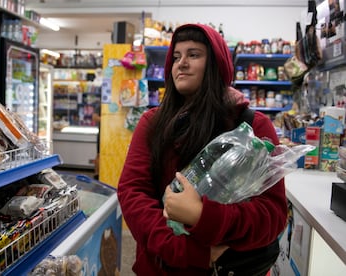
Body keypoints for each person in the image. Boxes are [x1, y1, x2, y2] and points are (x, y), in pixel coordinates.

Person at [117, 23, 288, 275]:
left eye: (193, 54)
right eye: (176, 57)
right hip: (161, 266)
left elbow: (272, 215)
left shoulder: (253, 126)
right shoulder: (153, 123)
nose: (181, 63)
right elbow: (133, 193)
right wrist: (185, 251)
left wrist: (204, 216)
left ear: (216, 65)